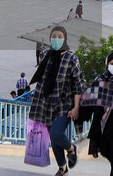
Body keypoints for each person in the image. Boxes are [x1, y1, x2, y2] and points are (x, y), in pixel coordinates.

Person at [28, 24, 83, 175]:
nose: (56, 40)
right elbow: (42, 78)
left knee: (56, 134)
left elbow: (78, 86)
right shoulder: (46, 54)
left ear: (65, 38)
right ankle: (63, 168)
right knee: (53, 138)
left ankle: (71, 149)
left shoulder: (72, 57)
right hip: (46, 103)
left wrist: (76, 108)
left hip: (64, 104)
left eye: (59, 37)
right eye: (54, 37)